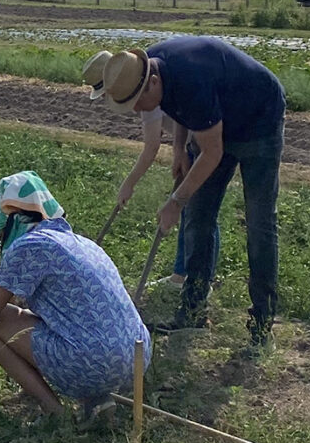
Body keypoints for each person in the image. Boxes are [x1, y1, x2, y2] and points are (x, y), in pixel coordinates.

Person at [101, 37, 286, 346]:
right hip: (215, 118)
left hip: (258, 120)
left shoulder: (190, 79)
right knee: (198, 214)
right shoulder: (155, 67)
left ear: (153, 82)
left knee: (259, 221)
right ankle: (193, 311)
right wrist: (179, 148)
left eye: (136, 104)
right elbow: (183, 110)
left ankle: (262, 322)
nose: (136, 112)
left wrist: (175, 201)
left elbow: (212, 152)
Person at [0, 170, 151, 418]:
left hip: (91, 360)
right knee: (63, 326)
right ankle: (96, 398)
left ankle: (52, 410)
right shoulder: (81, 243)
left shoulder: (31, 246)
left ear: (11, 217)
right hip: (136, 358)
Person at [83, 50, 220, 288]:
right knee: (192, 211)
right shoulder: (136, 83)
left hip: (202, 138)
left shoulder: (142, 89)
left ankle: (195, 279)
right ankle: (182, 274)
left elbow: (152, 147)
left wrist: (129, 183)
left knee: (199, 212)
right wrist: (179, 149)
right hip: (189, 139)